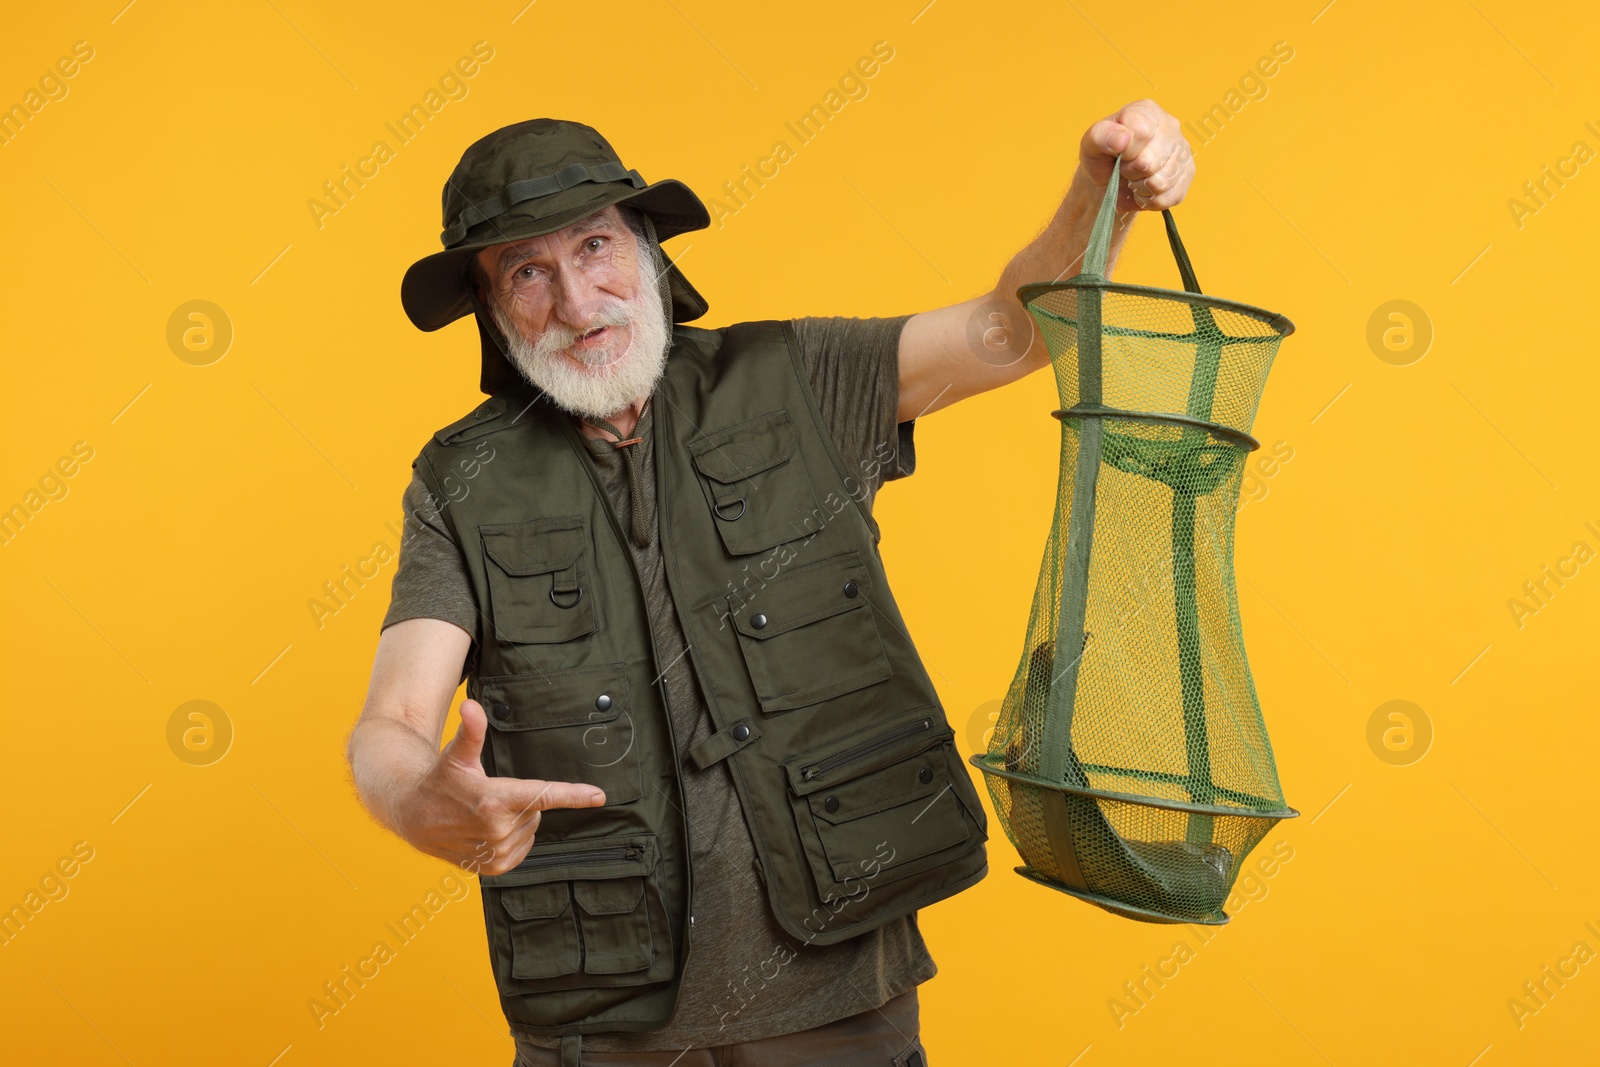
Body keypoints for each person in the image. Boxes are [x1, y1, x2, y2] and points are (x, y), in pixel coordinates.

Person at [346, 104, 1192, 1066]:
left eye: (595, 248)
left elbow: (1013, 332)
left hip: (839, 1004)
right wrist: (420, 798)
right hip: (599, 1022)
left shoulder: (800, 378)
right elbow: (394, 719)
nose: (579, 303)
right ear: (494, 311)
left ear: (650, 250)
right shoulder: (459, 478)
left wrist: (1106, 200)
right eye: (528, 273)